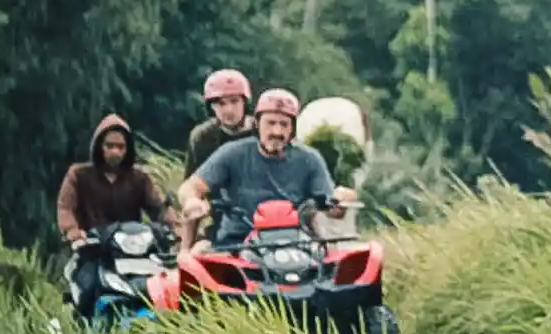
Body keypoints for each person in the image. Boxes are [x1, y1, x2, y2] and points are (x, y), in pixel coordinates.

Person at [176, 88, 347, 251]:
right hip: (236, 243)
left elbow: (332, 206)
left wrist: (342, 200)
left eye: (284, 124)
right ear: (257, 124)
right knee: (200, 257)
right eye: (270, 123)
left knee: (336, 259)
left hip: (295, 243)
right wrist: (192, 200)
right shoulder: (232, 152)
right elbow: (191, 186)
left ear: (292, 129)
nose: (277, 131)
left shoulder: (310, 158)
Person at [56, 114, 180, 320]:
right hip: (94, 250)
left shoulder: (139, 178)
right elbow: (65, 207)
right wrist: (74, 233)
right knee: (87, 288)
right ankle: (85, 330)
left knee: (163, 285)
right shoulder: (78, 174)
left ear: (128, 149)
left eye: (121, 147)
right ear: (98, 146)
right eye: (109, 145)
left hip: (133, 251)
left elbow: (157, 207)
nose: (115, 151)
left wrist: (174, 227)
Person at [185, 68, 257, 180]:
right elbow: (191, 185)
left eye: (234, 101)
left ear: (245, 102)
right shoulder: (203, 137)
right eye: (221, 103)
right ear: (211, 107)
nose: (229, 110)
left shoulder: (262, 132)